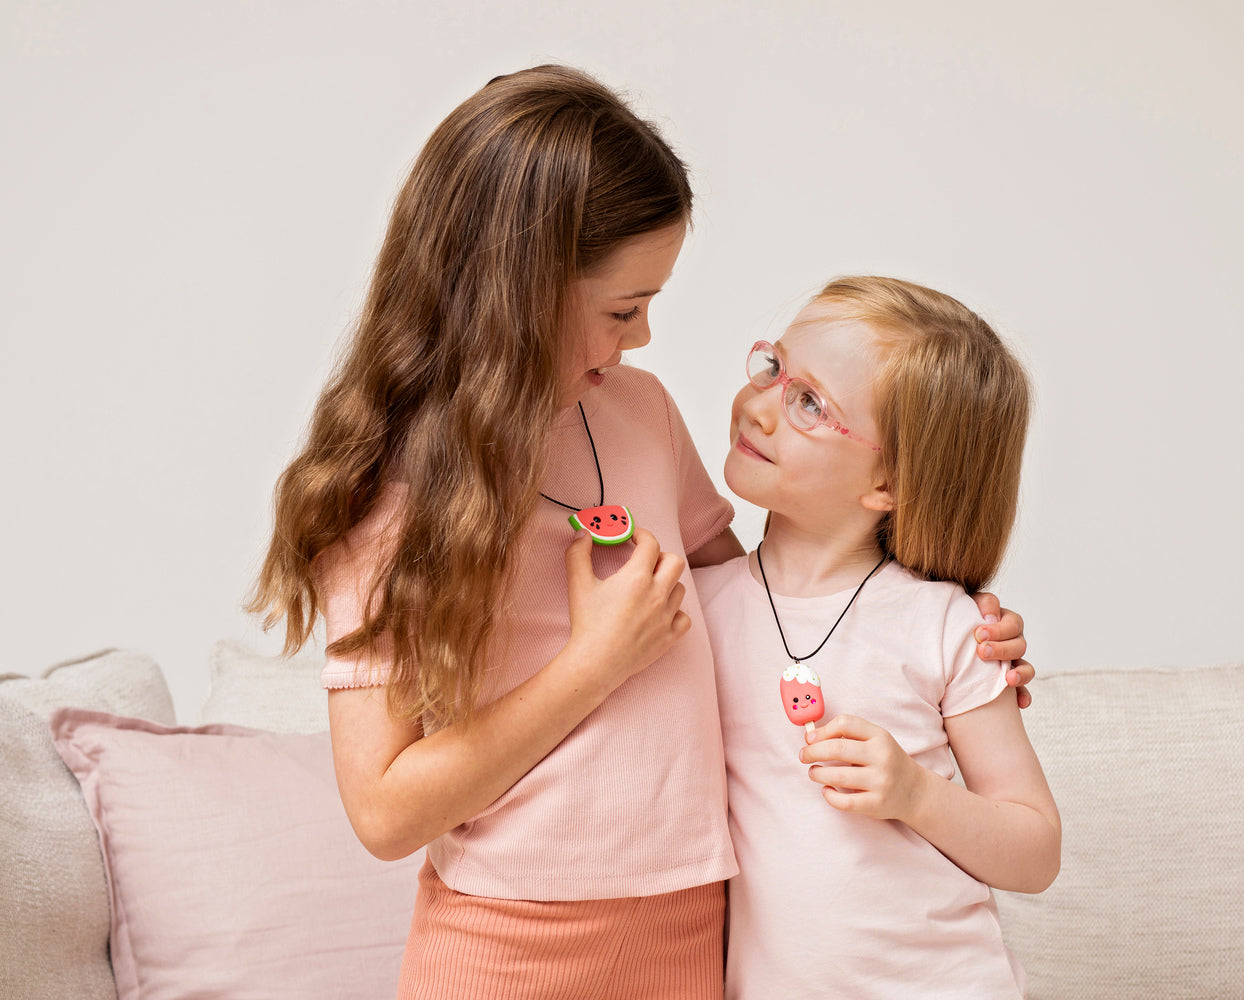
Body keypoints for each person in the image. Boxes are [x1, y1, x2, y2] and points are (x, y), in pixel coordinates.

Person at [248, 67, 1032, 1000]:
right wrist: (593, 664)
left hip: (695, 926)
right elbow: (383, 813)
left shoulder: (640, 413)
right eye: (623, 310)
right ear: (518, 291)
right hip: (506, 942)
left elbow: (762, 610)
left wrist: (942, 644)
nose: (647, 336)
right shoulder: (381, 495)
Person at [696, 275, 1059, 999]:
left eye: (809, 404)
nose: (760, 407)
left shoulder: (947, 627)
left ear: (889, 483)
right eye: (775, 369)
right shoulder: (695, 609)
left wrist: (916, 795)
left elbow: (1035, 852)